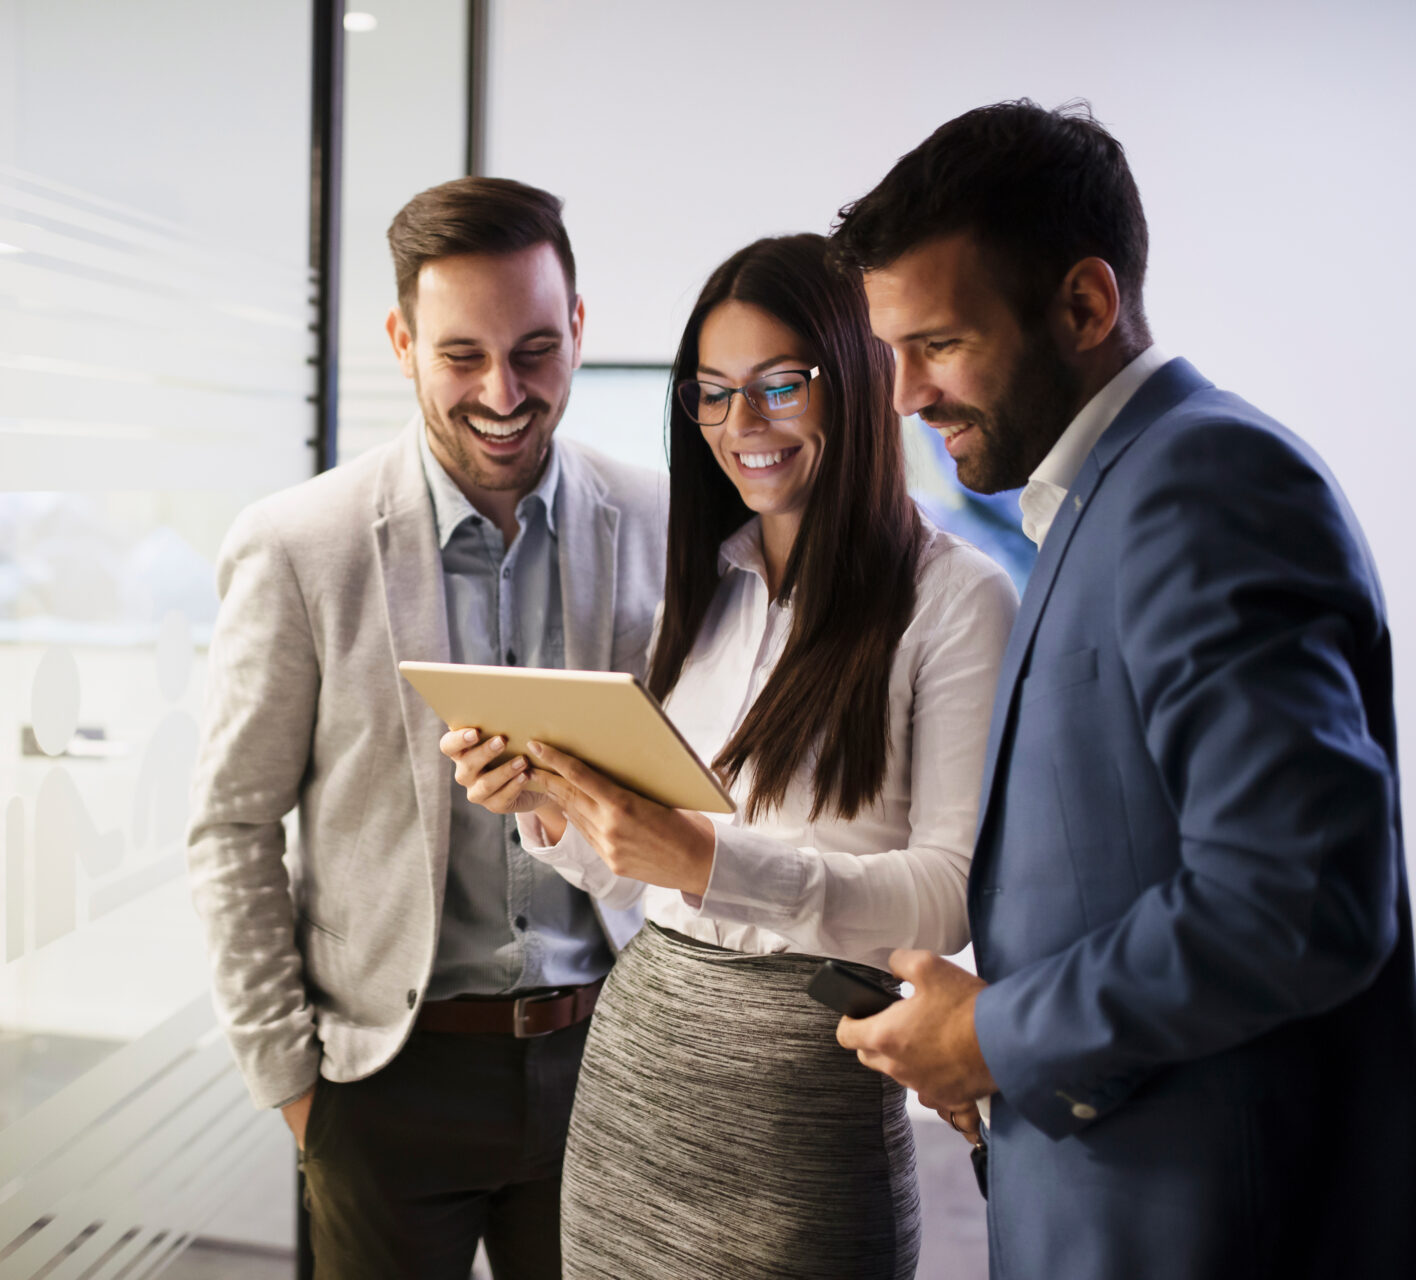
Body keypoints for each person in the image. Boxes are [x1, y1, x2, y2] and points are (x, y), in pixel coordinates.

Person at [829, 100, 1416, 1278]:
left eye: (938, 344)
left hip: (1201, 1227)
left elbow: (1298, 893)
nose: (901, 396)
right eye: (890, 351)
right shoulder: (1099, 496)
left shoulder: (1201, 480)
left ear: (1085, 305)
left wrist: (993, 1033)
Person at [443, 233, 1017, 1279]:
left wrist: (706, 858)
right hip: (637, 1080)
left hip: (799, 1102)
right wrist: (555, 808)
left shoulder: (957, 598)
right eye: (712, 394)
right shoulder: (710, 584)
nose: (739, 427)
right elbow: (643, 871)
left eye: (776, 387)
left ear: (855, 380)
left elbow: (949, 895)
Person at [184, 177, 667, 1280]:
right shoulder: (300, 545)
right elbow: (231, 825)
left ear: (580, 329)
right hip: (386, 1083)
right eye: (462, 355)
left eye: (537, 349)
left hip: (611, 1059)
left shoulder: (659, 525)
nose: (504, 391)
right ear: (402, 341)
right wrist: (296, 1088)